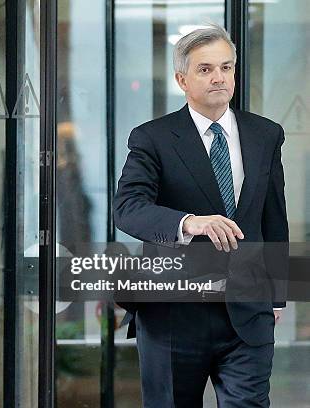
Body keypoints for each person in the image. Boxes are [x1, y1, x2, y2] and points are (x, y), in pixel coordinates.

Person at [114, 25, 288, 407]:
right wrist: (188, 222)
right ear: (182, 79)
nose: (219, 78)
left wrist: (276, 298)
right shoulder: (152, 138)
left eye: (226, 68)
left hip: (248, 315)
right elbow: (127, 208)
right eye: (205, 69)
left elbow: (273, 216)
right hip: (174, 317)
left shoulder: (265, 134)